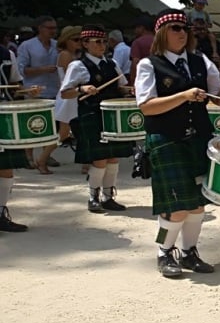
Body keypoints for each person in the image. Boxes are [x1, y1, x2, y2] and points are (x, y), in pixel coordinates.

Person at [136, 10, 220, 277]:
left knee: (197, 204)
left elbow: (218, 97)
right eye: (175, 28)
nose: (182, 32)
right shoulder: (148, 64)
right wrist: (183, 95)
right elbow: (147, 107)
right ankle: (164, 252)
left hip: (198, 137)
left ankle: (189, 253)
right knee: (175, 207)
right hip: (166, 139)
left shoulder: (200, 61)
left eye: (185, 28)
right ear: (162, 33)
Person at [59, 25, 134, 213]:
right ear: (85, 44)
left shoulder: (112, 64)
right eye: (98, 42)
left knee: (113, 159)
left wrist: (130, 90)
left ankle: (109, 197)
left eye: (104, 42)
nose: (102, 46)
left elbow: (120, 87)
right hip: (91, 116)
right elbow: (65, 93)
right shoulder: (77, 66)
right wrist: (81, 89)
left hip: (112, 116)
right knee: (99, 159)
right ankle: (93, 197)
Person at [0, 45, 40, 232]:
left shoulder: (6, 54)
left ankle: (1, 214)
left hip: (4, 114)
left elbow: (15, 86)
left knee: (5, 168)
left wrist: (27, 91)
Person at [17, 16, 61, 172]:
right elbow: (21, 70)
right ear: (40, 28)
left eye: (54, 28)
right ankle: (28, 156)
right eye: (49, 28)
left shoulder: (58, 46)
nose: (53, 31)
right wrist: (42, 69)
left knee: (51, 126)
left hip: (55, 90)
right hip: (34, 91)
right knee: (32, 125)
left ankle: (45, 155)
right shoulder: (27, 46)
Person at [52, 26, 83, 161]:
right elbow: (70, 78)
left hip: (73, 96)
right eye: (76, 40)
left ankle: (86, 162)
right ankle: (42, 159)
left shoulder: (75, 55)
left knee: (81, 130)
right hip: (68, 97)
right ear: (66, 40)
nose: (79, 42)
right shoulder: (65, 55)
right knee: (63, 133)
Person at [129, 16, 155, 84]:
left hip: (144, 79)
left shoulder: (137, 42)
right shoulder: (160, 41)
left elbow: (135, 63)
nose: (134, 30)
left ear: (142, 28)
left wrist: (133, 82)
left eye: (136, 27)